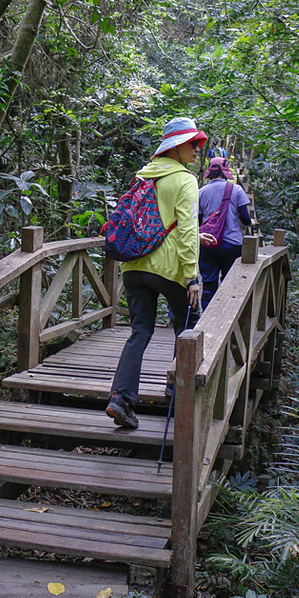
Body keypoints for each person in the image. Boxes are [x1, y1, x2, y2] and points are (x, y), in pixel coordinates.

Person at [106, 117, 204, 429]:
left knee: (140, 331)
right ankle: (178, 391)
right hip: (169, 269)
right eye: (192, 143)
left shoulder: (143, 175)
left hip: (134, 266)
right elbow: (186, 230)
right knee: (189, 328)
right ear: (175, 147)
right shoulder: (185, 180)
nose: (196, 150)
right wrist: (192, 276)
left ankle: (120, 398)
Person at [197, 155, 252, 310]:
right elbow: (245, 219)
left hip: (207, 242)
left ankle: (207, 316)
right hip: (232, 244)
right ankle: (225, 318)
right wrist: (251, 223)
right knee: (229, 282)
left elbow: (198, 221)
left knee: (208, 283)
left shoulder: (201, 192)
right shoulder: (236, 190)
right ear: (226, 170)